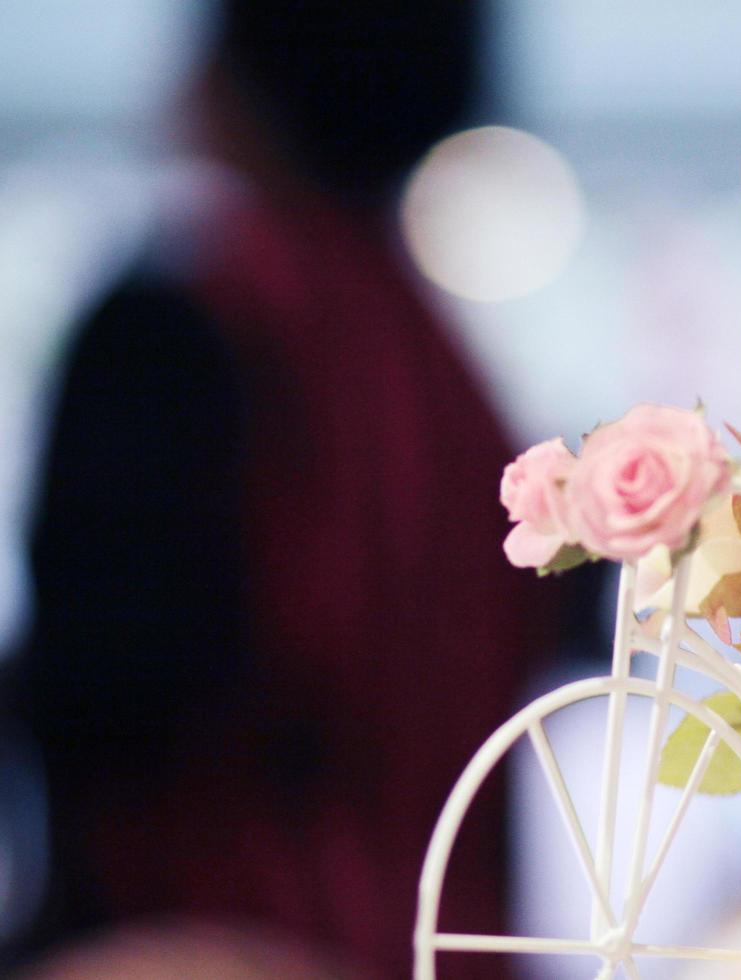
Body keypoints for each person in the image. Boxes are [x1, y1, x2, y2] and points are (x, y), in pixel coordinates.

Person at [10, 1, 548, 975]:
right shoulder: (459, 382)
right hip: (450, 949)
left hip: (205, 942)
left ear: (229, 75)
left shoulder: (184, 327)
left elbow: (100, 695)